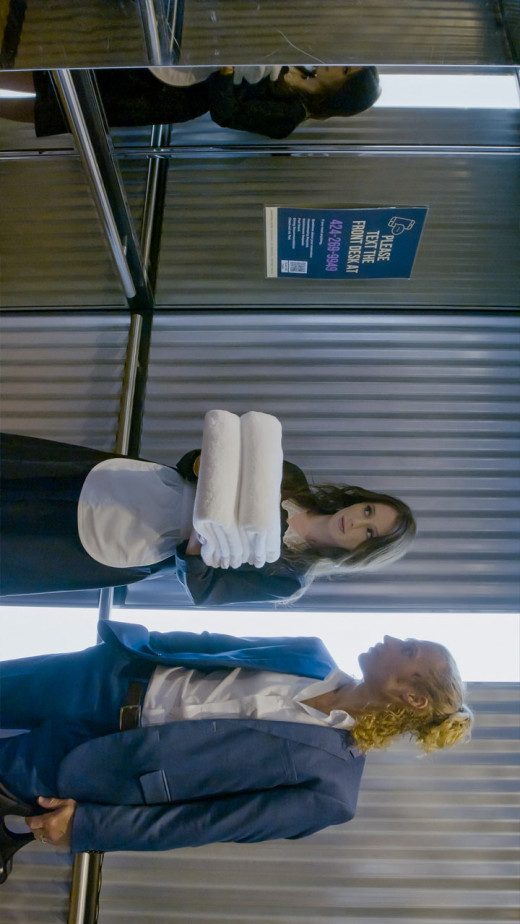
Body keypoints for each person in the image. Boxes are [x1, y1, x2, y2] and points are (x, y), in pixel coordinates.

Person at [0, 624, 473, 881]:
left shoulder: (331, 791)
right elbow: (212, 647)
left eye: (408, 649)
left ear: (413, 698)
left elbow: (204, 822)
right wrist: (136, 646)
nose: (391, 638)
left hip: (104, 765)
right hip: (104, 678)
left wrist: (90, 827)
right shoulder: (311, 652)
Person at [0, 432, 416, 602]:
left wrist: (203, 536)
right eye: (367, 511)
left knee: (20, 543)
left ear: (362, 553)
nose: (355, 522)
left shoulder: (289, 578)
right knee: (24, 479)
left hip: (133, 541)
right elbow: (196, 462)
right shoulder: (291, 479)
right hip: (139, 485)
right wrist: (204, 467)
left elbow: (206, 589)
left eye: (368, 533)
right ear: (359, 499)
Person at [0, 65, 381, 139]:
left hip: (173, 98)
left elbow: (227, 115)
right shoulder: (300, 67)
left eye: (345, 71)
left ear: (341, 91)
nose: (336, 64)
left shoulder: (288, 117)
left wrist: (227, 72)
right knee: (60, 77)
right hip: (170, 76)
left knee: (68, 106)